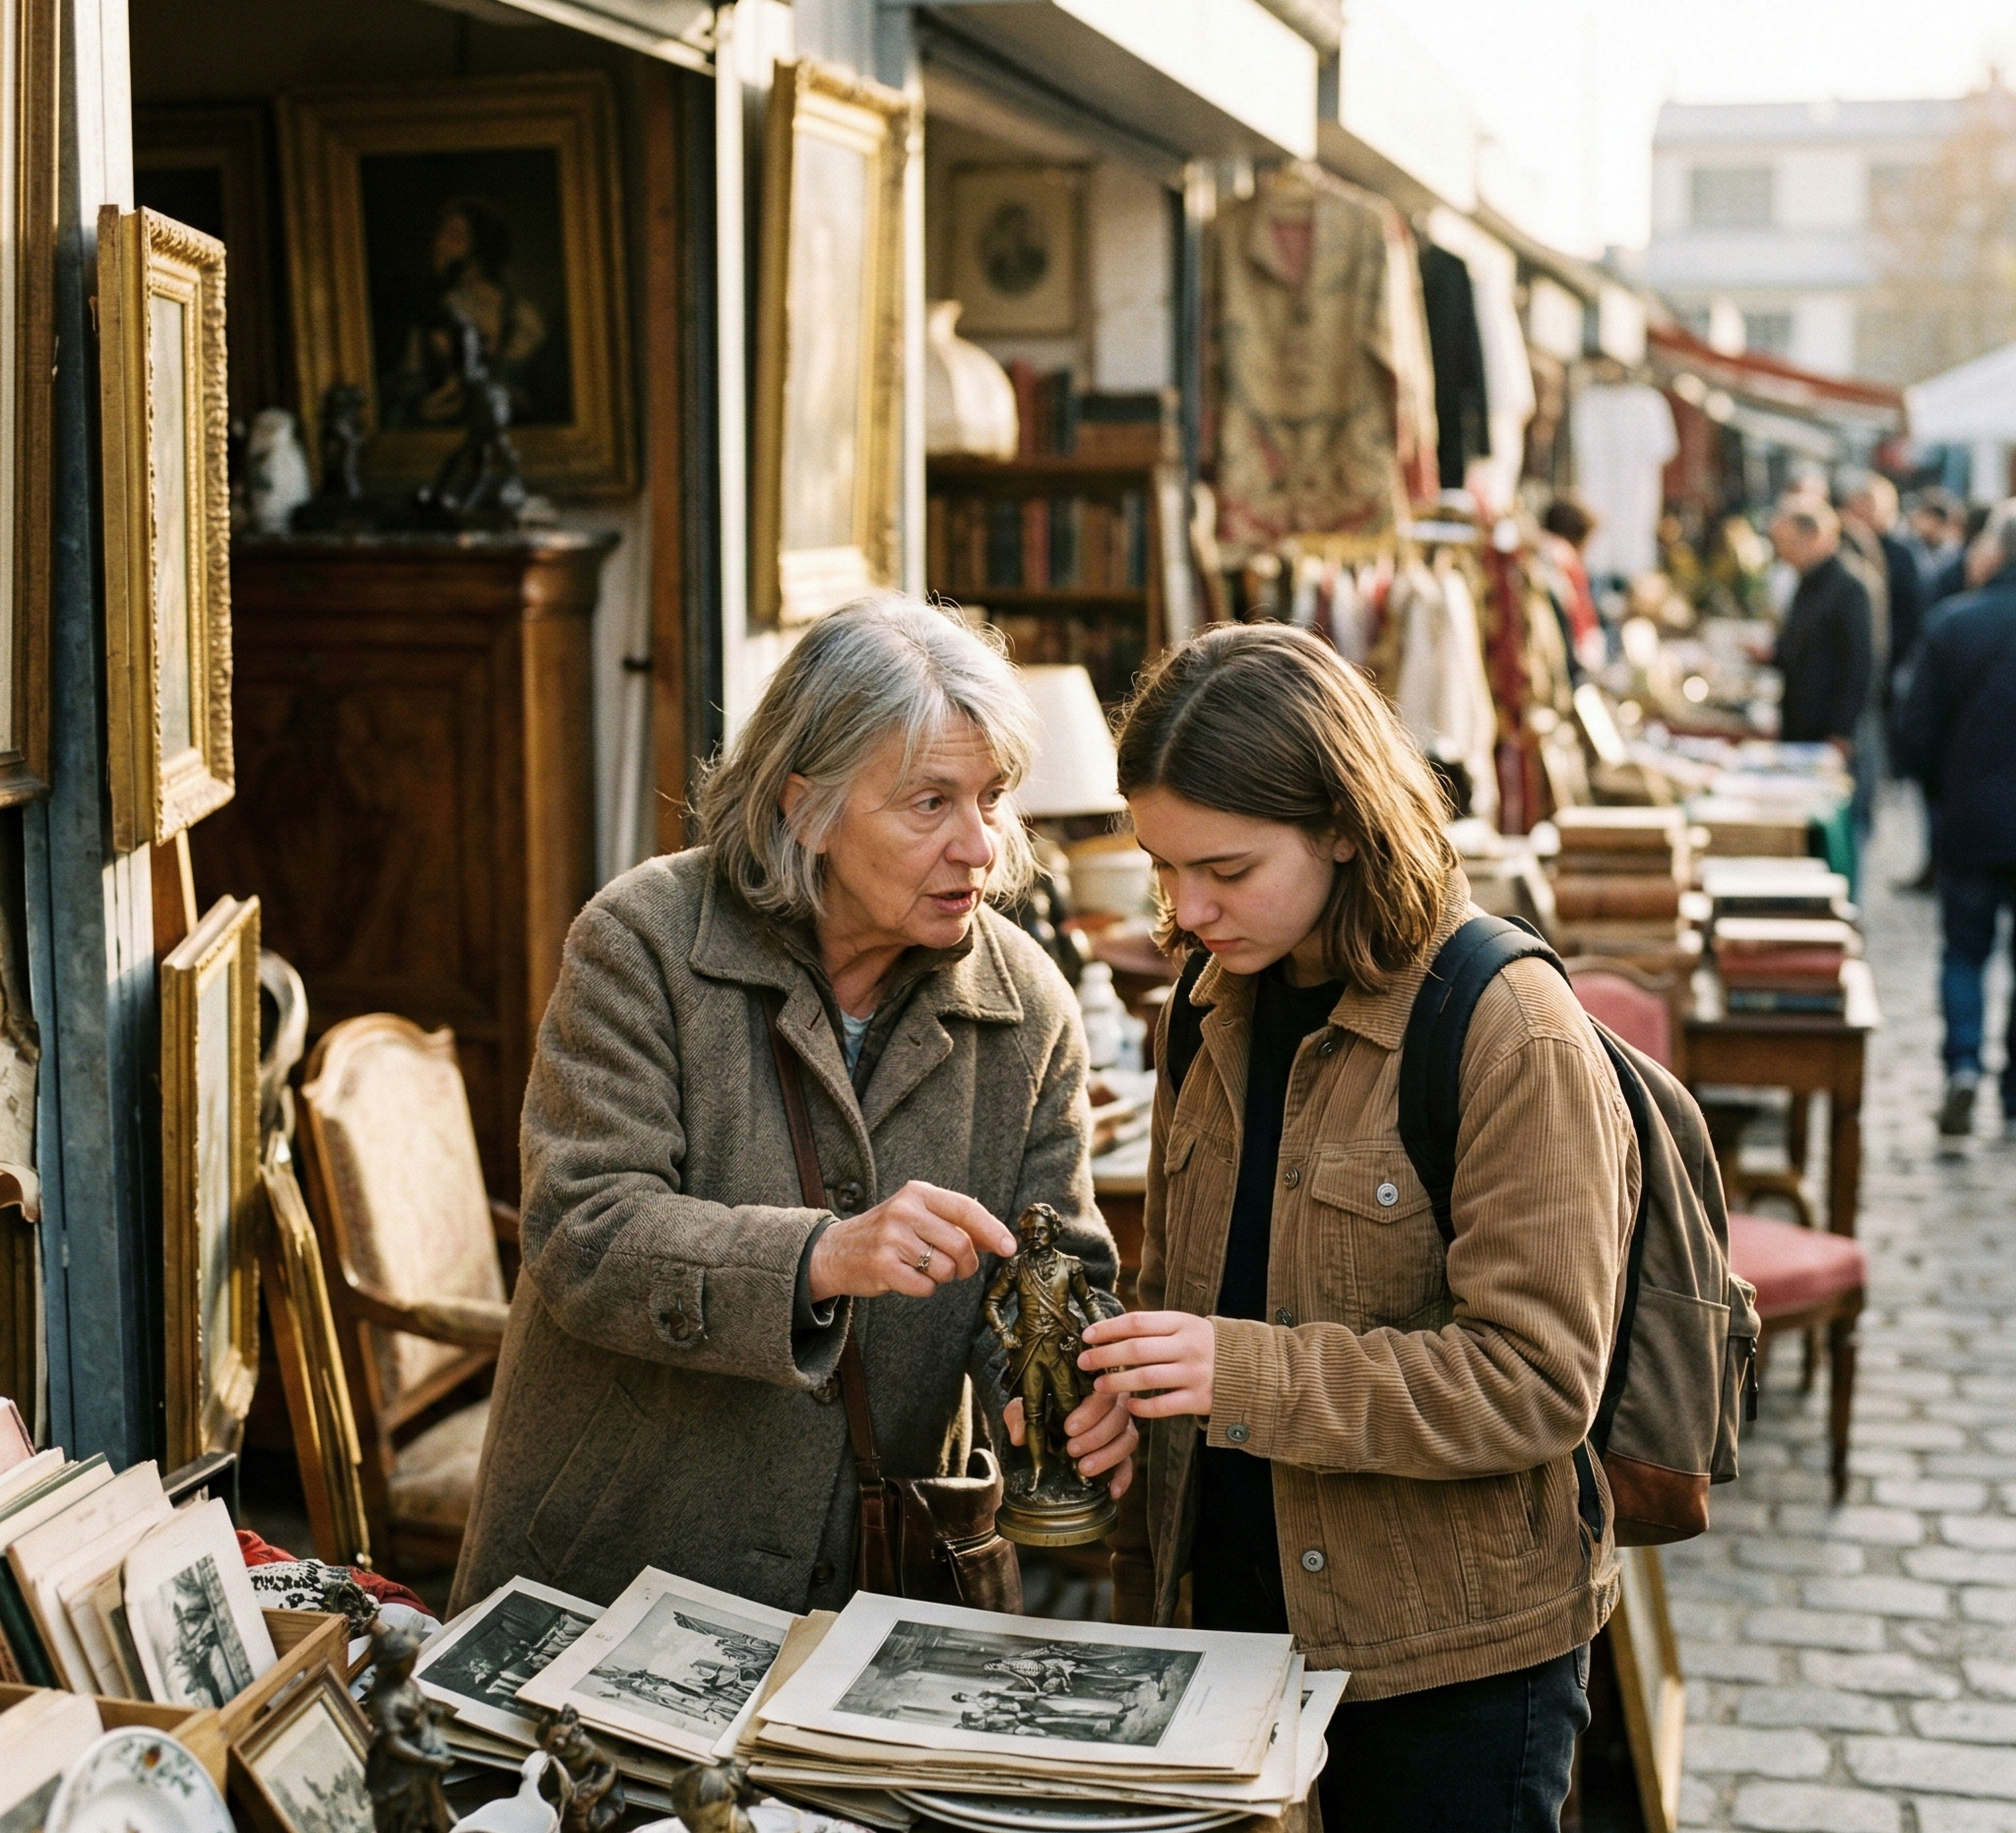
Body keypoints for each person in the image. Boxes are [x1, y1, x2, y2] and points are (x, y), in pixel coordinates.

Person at [451, 597, 1136, 1614]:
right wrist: (819, 1254)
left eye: (990, 798)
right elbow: (581, 1233)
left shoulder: (1027, 1001)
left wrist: (1065, 1381)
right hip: (619, 1570)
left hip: (877, 1590)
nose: (979, 848)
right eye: (928, 803)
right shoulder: (640, 941)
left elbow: (1047, 1265)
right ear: (799, 804)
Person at [1090, 625, 1639, 1833]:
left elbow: (1536, 1381)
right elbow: (1189, 1271)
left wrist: (1236, 1370)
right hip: (1224, 1621)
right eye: (1161, 866)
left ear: (1341, 822)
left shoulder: (1505, 1027)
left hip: (1443, 1662)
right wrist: (1123, 1380)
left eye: (1225, 868)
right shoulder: (1207, 997)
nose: (1186, 908)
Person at [1895, 501, 2016, 1142]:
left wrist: (1943, 792)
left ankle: (1963, 1068)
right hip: (1979, 814)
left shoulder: (1955, 623)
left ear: (1994, 553)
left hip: (1970, 821)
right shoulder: (1952, 620)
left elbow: (1914, 736)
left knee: (1965, 953)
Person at [1770, 494, 1874, 760]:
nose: (1783, 554)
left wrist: (1841, 730)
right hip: (1798, 717)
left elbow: (1859, 664)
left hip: (1826, 727)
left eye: (1788, 544)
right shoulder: (1807, 580)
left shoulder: (1849, 587)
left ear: (1814, 537)